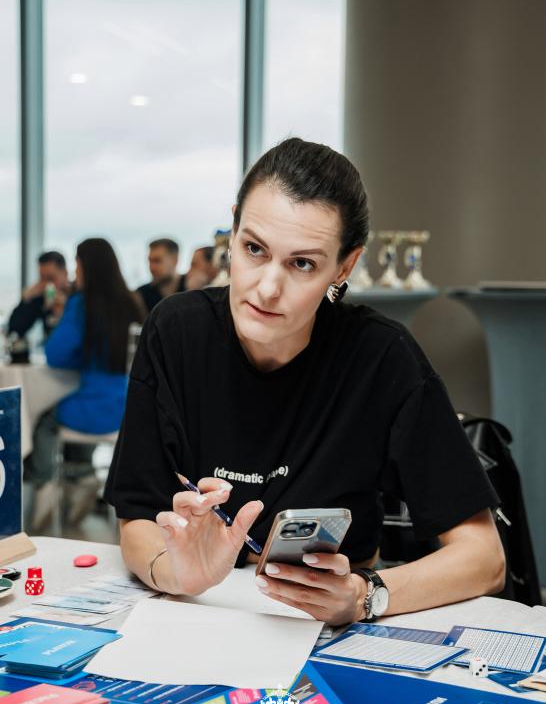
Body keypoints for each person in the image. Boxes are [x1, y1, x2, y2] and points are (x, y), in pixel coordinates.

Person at [105, 138, 505, 626]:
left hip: (325, 629)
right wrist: (179, 574)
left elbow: (484, 558)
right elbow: (137, 517)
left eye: (302, 264)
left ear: (344, 266)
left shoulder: (381, 357)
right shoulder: (175, 332)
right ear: (233, 231)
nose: (267, 288)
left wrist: (363, 596)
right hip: (202, 613)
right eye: (254, 249)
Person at [27, 238, 146, 530]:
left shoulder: (83, 304)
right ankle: (83, 476)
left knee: (44, 420)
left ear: (85, 267)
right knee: (73, 410)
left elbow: (55, 354)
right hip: (125, 409)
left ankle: (45, 486)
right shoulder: (132, 302)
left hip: (90, 407)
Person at [8, 251, 70, 339]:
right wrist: (26, 299)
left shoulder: (77, 298)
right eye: (42, 278)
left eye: (51, 278)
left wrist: (63, 312)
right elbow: (15, 329)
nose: (46, 284)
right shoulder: (43, 298)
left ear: (65, 273)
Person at [136, 238, 187, 313]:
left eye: (157, 261)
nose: (151, 267)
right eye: (150, 261)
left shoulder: (191, 289)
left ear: (175, 260)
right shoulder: (142, 294)